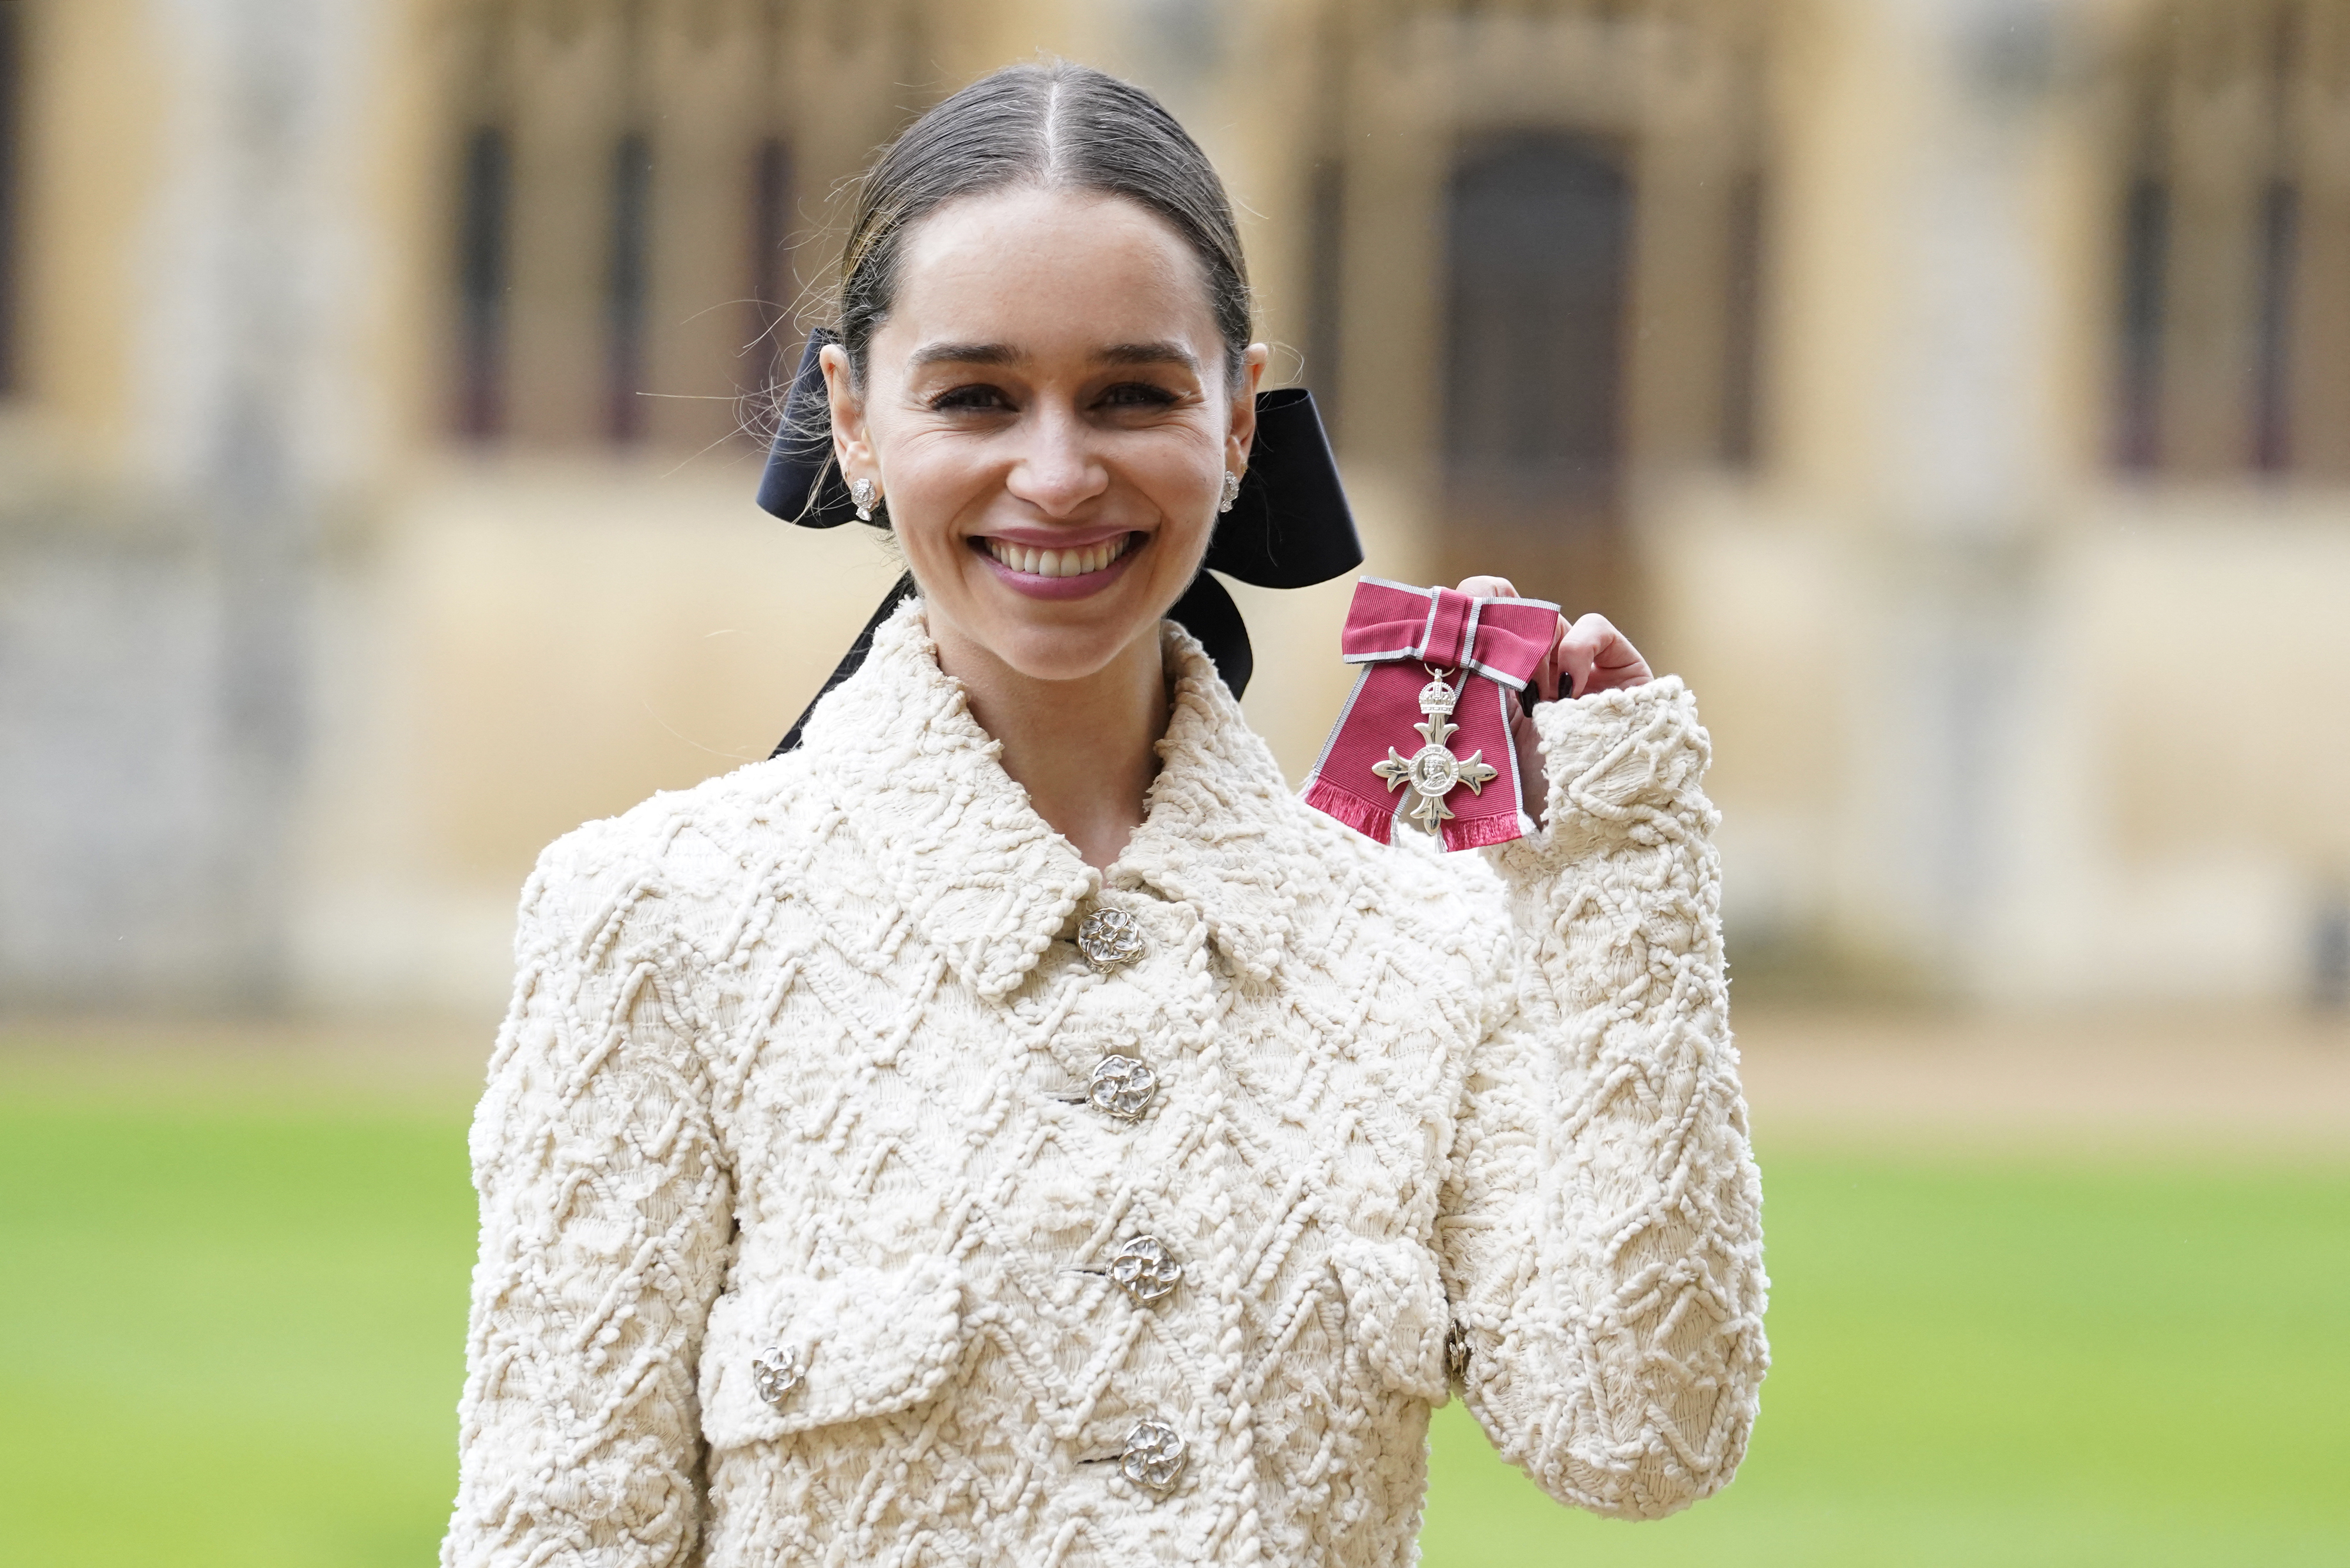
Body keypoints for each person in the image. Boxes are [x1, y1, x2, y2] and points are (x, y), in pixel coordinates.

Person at [442, 61, 1766, 1568]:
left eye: (1132, 395)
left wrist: (1614, 862)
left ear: (1241, 424)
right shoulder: (652, 920)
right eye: (977, 397)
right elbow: (559, 1536)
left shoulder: (1422, 938)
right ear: (853, 420)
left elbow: (1639, 1438)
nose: (1057, 474)